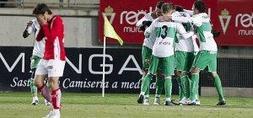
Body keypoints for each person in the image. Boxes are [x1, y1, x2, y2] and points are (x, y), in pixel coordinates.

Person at [138, 3, 194, 106]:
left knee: (149, 73)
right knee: (167, 76)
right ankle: (168, 99)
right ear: (171, 11)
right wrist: (192, 32)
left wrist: (147, 32)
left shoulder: (157, 20)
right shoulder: (175, 23)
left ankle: (142, 93)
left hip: (156, 49)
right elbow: (185, 36)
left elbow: (147, 32)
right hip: (168, 51)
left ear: (162, 10)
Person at [189, 0, 226, 105]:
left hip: (206, 49)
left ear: (196, 9)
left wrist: (174, 16)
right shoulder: (205, 15)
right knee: (213, 73)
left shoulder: (197, 18)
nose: (192, 9)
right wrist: (183, 10)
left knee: (195, 71)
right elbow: (190, 14)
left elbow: (190, 18)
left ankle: (193, 99)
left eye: (193, 7)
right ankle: (222, 99)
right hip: (213, 48)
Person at [33, 3, 66, 118]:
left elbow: (52, 38)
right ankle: (56, 106)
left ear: (46, 13)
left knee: (53, 82)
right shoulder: (45, 24)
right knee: (37, 82)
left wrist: (45, 25)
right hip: (46, 56)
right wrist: (42, 25)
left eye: (40, 18)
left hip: (56, 56)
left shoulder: (57, 20)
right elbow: (38, 38)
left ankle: (56, 112)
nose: (39, 20)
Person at [136, 0, 164, 105]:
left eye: (160, 12)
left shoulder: (164, 19)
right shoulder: (148, 16)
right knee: (146, 72)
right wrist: (144, 23)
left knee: (160, 74)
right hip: (148, 48)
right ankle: (145, 97)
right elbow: (138, 23)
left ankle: (157, 97)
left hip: (159, 49)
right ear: (155, 8)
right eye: (157, 11)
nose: (158, 13)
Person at [23, 18, 50, 106]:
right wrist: (27, 27)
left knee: (47, 79)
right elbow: (25, 35)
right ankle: (35, 98)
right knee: (33, 77)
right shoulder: (34, 22)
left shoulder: (51, 22)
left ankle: (47, 99)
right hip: (37, 55)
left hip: (48, 55)